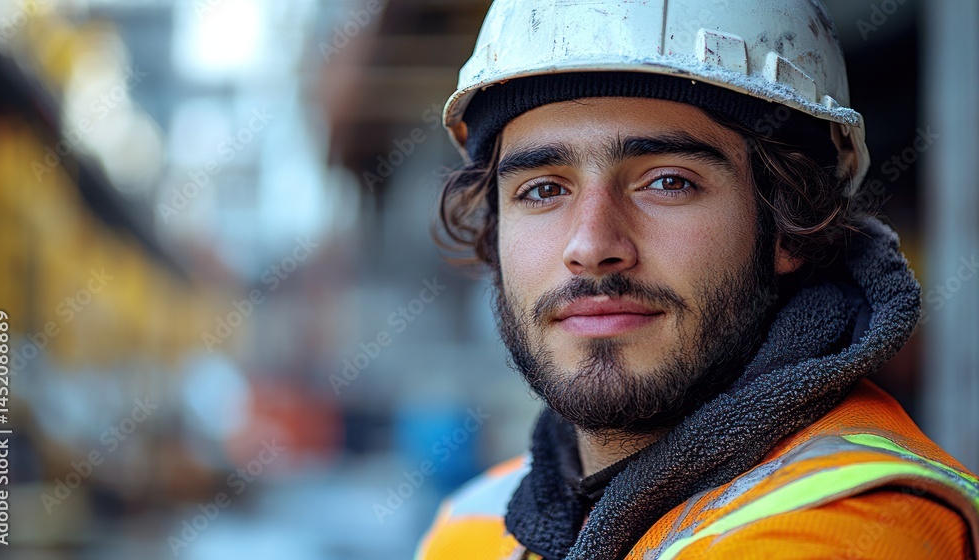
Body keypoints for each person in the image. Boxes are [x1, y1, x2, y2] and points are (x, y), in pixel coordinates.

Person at [416, 1, 979, 559]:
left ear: (790, 222)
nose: (590, 246)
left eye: (667, 182)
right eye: (543, 190)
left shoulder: (853, 527)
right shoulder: (473, 527)